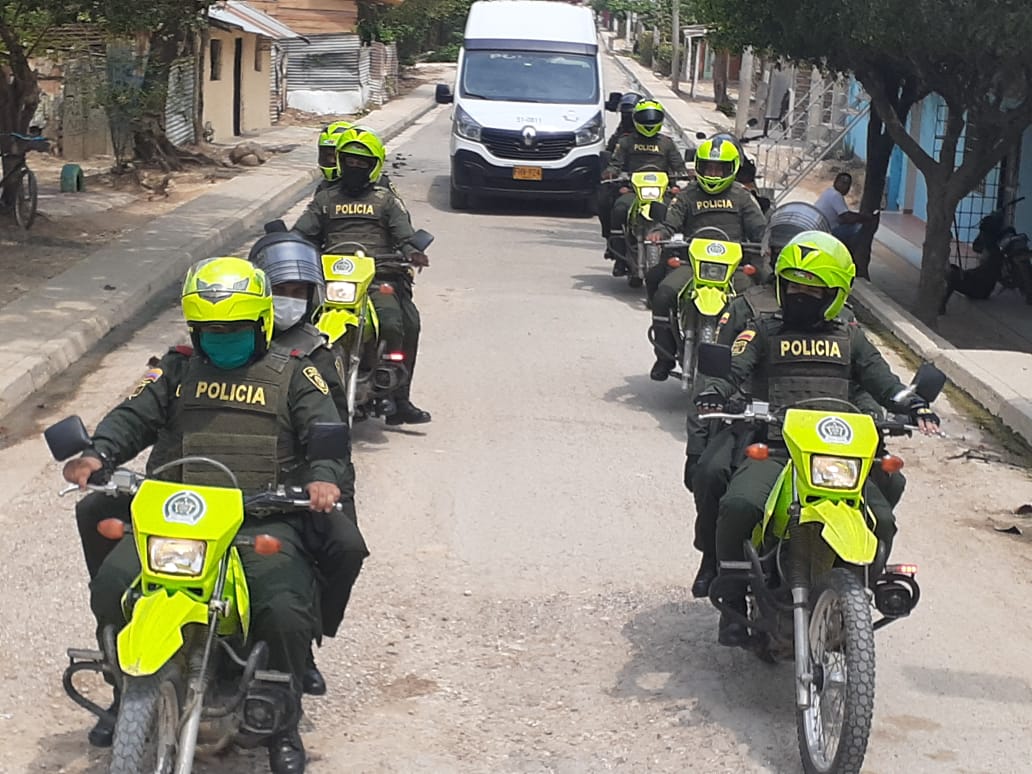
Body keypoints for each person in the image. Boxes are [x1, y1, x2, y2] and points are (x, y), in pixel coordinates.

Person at [65, 257, 346, 772]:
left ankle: (282, 720)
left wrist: (323, 477)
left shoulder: (297, 375)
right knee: (115, 584)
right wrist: (98, 453)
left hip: (258, 518)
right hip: (176, 519)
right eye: (210, 329)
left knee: (283, 608)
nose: (222, 337)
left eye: (234, 328)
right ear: (194, 328)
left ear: (261, 323)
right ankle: (125, 690)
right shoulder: (174, 370)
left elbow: (325, 431)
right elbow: (132, 416)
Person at [696, 232, 940, 646]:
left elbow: (884, 382)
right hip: (776, 447)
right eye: (793, 286)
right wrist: (716, 391)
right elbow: (734, 368)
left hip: (838, 454)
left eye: (812, 289)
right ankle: (733, 599)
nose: (800, 295)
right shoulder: (762, 330)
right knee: (741, 504)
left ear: (835, 293)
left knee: (881, 518)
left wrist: (914, 406)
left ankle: (857, 595)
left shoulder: (851, 336)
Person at [248, 230, 370, 697]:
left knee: (343, 548)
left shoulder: (318, 351)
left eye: (299, 292)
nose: (289, 301)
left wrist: (325, 480)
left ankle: (303, 648)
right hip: (241, 475)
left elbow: (331, 428)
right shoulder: (226, 336)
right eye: (280, 290)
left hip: (311, 477)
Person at [292, 126, 431, 425]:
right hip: (331, 279)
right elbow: (301, 234)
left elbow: (404, 235)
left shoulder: (385, 200)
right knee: (292, 318)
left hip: (379, 276)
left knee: (400, 322)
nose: (354, 167)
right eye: (349, 161)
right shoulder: (325, 199)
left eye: (361, 163)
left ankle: (399, 397)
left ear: (373, 166)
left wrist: (413, 251)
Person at [644, 137, 767, 381]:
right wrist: (661, 232)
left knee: (757, 304)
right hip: (693, 263)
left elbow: (759, 228)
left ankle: (752, 364)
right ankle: (664, 356)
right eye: (708, 167)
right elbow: (671, 221)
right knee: (664, 293)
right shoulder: (687, 195)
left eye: (718, 168)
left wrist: (767, 244)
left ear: (730, 169)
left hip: (734, 266)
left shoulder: (743, 197)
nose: (712, 173)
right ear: (699, 167)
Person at [602, 100, 688, 276]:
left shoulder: (667, 143)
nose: (649, 122)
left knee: (678, 214)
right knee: (618, 208)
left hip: (661, 192)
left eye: (653, 118)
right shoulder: (626, 141)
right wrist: (611, 173)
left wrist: (684, 176)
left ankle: (678, 255)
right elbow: (615, 164)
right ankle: (618, 256)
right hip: (633, 191)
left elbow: (679, 167)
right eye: (644, 118)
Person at [597, 92, 643, 241]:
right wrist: (610, 174)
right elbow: (610, 158)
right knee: (604, 199)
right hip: (624, 182)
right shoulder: (621, 138)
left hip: (651, 185)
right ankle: (612, 238)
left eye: (631, 115)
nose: (627, 119)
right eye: (625, 114)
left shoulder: (658, 140)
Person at [316, 120, 397, 195]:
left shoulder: (379, 185)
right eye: (327, 156)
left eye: (334, 156)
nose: (331, 160)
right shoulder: (324, 187)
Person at [813, 172, 877, 245]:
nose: (846, 187)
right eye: (843, 183)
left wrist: (858, 216)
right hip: (828, 231)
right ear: (835, 182)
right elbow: (847, 217)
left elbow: (844, 214)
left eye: (848, 184)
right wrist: (865, 217)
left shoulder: (829, 191)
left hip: (820, 227)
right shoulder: (835, 195)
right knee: (859, 227)